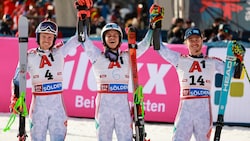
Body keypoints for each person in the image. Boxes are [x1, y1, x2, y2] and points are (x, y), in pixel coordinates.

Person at [76, 4, 161, 140]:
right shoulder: (97, 56)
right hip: (104, 107)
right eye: (108, 35)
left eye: (115, 35)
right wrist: (82, 18)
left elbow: (145, 45)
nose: (112, 38)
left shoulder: (128, 56)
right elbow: (83, 39)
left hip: (122, 108)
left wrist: (152, 25)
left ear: (120, 39)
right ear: (103, 39)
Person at [10, 20, 80, 141]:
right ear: (38, 37)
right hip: (38, 109)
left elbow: (80, 37)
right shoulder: (29, 56)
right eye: (43, 36)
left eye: (50, 37)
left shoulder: (60, 52)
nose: (46, 39)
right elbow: (16, 79)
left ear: (54, 39)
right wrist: (15, 96)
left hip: (58, 109)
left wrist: (82, 17)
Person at [157, 27, 225, 141]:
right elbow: (159, 48)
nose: (194, 42)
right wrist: (155, 26)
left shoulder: (212, 61)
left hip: (203, 112)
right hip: (185, 112)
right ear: (186, 43)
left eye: (197, 39)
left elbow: (232, 73)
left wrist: (238, 60)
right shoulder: (179, 59)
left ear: (202, 40)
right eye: (191, 40)